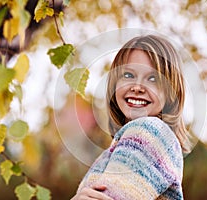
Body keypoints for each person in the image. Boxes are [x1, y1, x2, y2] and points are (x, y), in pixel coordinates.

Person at [71, 34, 191, 200]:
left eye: (153, 78)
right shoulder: (123, 144)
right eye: (128, 75)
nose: (137, 87)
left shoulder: (150, 132)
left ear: (171, 91)